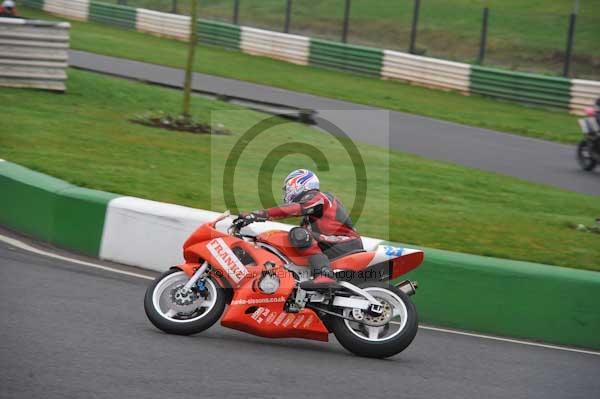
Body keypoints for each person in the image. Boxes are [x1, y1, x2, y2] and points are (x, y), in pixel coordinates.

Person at [240, 169, 363, 291]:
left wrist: (259, 214)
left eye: (287, 189)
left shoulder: (320, 197)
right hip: (336, 244)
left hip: (345, 243)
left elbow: (294, 208)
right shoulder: (311, 215)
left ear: (298, 184)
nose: (285, 193)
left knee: (299, 234)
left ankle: (324, 275)